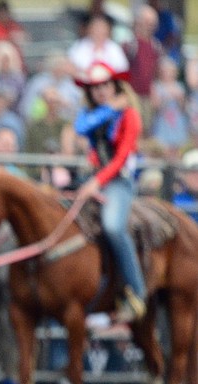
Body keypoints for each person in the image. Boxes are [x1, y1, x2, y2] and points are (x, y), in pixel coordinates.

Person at [73, 61, 145, 322]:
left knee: (114, 226)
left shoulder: (130, 115)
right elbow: (81, 127)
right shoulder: (93, 113)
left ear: (115, 84)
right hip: (96, 179)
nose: (100, 90)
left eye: (104, 84)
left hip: (119, 182)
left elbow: (122, 157)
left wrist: (97, 181)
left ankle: (137, 290)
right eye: (94, 87)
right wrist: (109, 109)